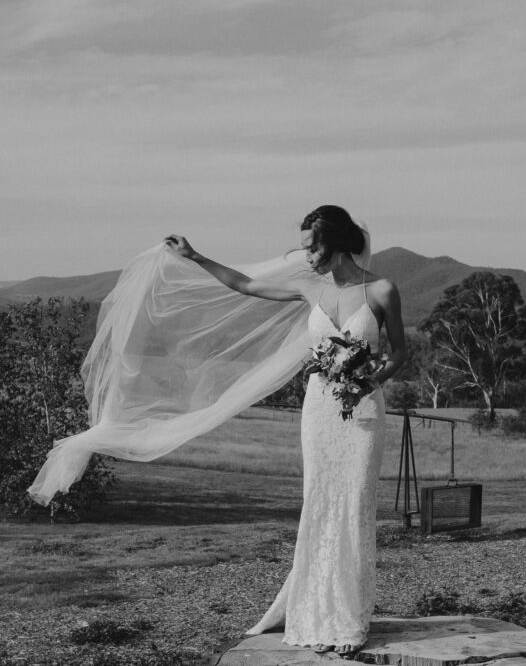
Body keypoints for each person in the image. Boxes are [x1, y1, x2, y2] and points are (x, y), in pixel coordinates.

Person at [165, 205, 406, 657]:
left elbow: (400, 354)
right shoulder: (306, 286)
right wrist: (196, 256)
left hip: (363, 414)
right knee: (318, 503)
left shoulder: (382, 290)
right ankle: (314, 610)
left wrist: (369, 379)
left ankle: (350, 616)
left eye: (312, 246)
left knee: (353, 506)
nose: (306, 255)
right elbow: (245, 285)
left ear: (335, 244)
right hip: (318, 411)